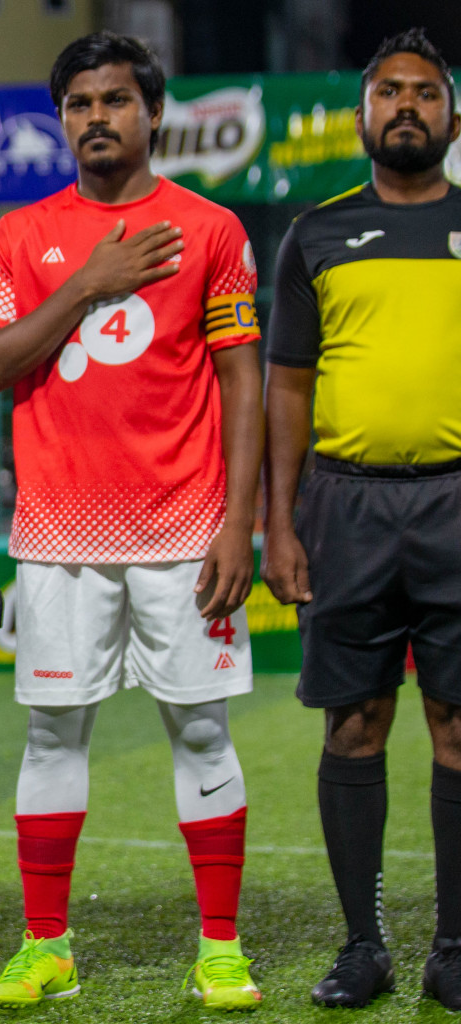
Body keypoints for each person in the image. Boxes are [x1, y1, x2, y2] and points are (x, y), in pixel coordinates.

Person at [0, 32, 265, 1010]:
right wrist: (88, 281)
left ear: (152, 113)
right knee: (53, 736)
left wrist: (238, 522)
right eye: (80, 103)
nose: (97, 116)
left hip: (185, 534)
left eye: (115, 100)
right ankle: (46, 943)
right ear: (63, 119)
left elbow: (241, 382)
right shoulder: (20, 235)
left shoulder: (210, 229)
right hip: (56, 539)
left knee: (202, 733)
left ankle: (220, 946)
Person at [263, 27, 461, 1011]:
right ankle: (362, 945)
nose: (409, 106)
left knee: (458, 727)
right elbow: (287, 389)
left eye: (426, 91)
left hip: (459, 500)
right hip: (344, 506)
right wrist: (281, 523)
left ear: (453, 116)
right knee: (355, 725)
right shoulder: (318, 233)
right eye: (391, 92)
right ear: (363, 117)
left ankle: (455, 947)